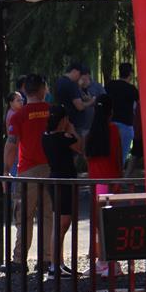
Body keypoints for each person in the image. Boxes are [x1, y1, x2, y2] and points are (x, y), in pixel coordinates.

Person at [2, 74, 53, 273]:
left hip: (27, 171)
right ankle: (47, 260)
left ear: (25, 91)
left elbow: (11, 144)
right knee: (48, 215)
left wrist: (6, 170)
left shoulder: (18, 116)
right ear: (43, 89)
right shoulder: (53, 111)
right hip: (51, 170)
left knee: (24, 216)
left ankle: (19, 260)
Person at [41, 104, 82, 279]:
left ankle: (58, 263)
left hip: (56, 179)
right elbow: (81, 148)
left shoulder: (46, 136)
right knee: (62, 224)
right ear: (63, 120)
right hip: (63, 181)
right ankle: (54, 266)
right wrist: (72, 130)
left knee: (60, 224)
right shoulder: (63, 137)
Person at [86, 94, 123, 278]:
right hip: (110, 180)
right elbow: (117, 157)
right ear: (111, 111)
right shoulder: (113, 129)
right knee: (108, 224)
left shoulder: (91, 132)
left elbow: (87, 159)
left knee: (99, 225)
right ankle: (111, 263)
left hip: (95, 182)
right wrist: (119, 178)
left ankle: (102, 262)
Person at [104, 62, 139, 167]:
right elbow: (139, 103)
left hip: (110, 123)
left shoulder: (110, 85)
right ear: (130, 74)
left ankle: (109, 178)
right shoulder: (131, 89)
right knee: (121, 156)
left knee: (110, 153)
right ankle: (117, 179)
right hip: (126, 124)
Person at [54, 62, 95, 130]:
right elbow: (80, 106)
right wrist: (91, 101)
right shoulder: (71, 84)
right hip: (75, 125)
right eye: (79, 74)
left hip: (64, 122)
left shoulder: (59, 81)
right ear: (74, 71)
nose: (79, 77)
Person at [5, 91, 25, 177]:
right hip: (15, 146)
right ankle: (12, 190)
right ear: (11, 103)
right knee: (14, 170)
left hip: (17, 145)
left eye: (22, 100)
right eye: (18, 100)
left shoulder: (15, 113)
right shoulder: (13, 115)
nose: (21, 102)